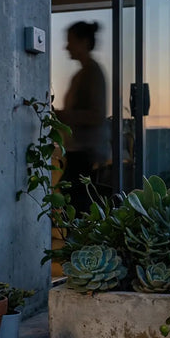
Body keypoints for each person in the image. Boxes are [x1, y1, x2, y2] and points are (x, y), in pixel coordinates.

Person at [56, 20, 107, 213]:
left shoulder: (92, 73)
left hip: (86, 154)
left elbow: (97, 115)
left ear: (83, 42)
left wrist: (63, 115)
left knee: (77, 205)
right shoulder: (84, 73)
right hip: (79, 152)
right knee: (72, 200)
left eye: (70, 41)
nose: (66, 46)